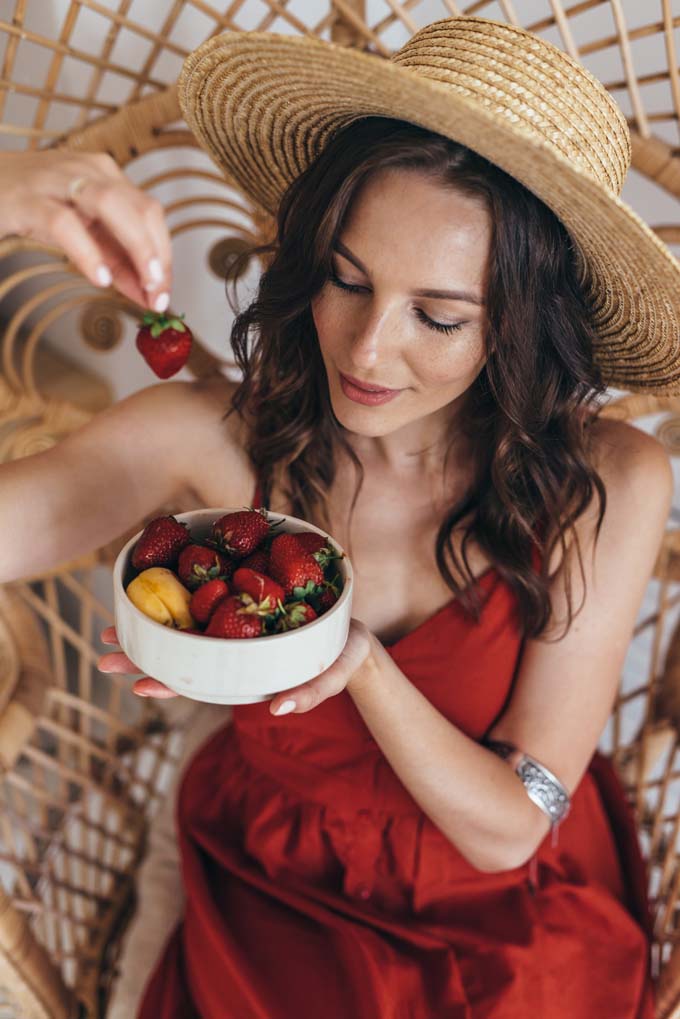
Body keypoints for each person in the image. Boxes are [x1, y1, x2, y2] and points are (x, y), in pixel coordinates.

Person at [0, 13, 677, 1019]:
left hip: (507, 914)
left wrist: (355, 663)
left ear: (518, 329)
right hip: (270, 891)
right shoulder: (210, 433)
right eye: (345, 280)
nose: (363, 351)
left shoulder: (608, 480)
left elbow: (504, 831)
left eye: (436, 317)